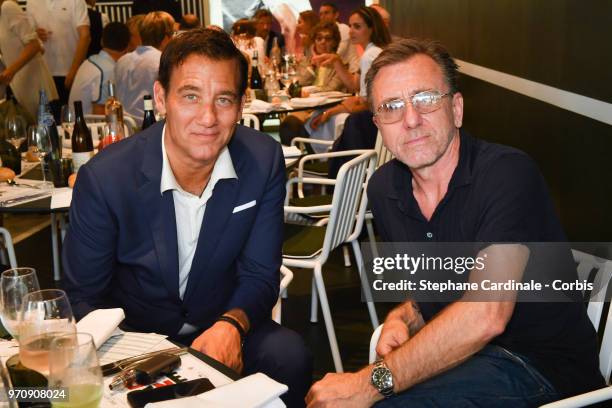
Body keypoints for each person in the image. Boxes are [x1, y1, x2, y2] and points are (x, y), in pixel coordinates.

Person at [306, 38, 605, 407]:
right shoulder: (384, 189)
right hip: (467, 360)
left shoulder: (507, 174)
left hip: (542, 370)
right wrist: (404, 317)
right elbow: (436, 285)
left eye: (426, 99)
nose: (411, 119)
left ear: (457, 109)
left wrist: (371, 382)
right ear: (379, 124)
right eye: (392, 106)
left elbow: (485, 314)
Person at [63, 27, 311, 408]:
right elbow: (83, 298)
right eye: (190, 96)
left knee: (290, 354)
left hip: (221, 318)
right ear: (161, 98)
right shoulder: (106, 178)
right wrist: (154, 358)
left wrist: (232, 324)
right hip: (134, 336)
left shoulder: (262, 160)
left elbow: (261, 274)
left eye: (223, 99)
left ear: (241, 105)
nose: (208, 118)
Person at [305, 6, 390, 152]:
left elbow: (366, 103)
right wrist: (336, 61)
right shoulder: (372, 51)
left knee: (322, 122)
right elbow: (354, 85)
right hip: (378, 120)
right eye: (350, 26)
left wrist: (330, 112)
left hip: (371, 123)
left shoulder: (370, 55)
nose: (350, 31)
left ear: (372, 29)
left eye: (357, 26)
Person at [0, 0, 58, 118]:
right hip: (21, 89)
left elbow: (34, 45)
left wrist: (10, 72)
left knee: (47, 132)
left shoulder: (8, 8)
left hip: (36, 87)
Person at [26, 0, 91, 105]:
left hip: (70, 72)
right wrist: (35, 34)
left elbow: (85, 36)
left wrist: (74, 70)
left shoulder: (76, 1)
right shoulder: (32, 2)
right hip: (44, 75)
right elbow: (28, 36)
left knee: (70, 116)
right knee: (47, 119)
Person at [115, 11, 174, 121]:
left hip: (125, 126)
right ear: (166, 38)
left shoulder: (122, 61)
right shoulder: (163, 61)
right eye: (173, 34)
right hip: (152, 127)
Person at [69, 22, 131, 115]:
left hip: (76, 122)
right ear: (127, 47)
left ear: (102, 41)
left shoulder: (89, 61)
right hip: (87, 127)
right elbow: (100, 113)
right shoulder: (108, 71)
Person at [318, 2, 358, 74]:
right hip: (334, 72)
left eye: (326, 13)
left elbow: (338, 53)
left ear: (336, 15)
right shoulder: (323, 31)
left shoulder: (343, 28)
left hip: (350, 72)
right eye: (321, 14)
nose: (323, 16)